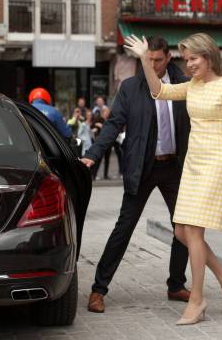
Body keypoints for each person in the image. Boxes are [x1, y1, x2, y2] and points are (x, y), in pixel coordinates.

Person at [123, 33, 222, 325]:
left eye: (194, 58)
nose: (189, 64)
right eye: (186, 59)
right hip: (193, 163)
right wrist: (145, 58)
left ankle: (197, 300)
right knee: (181, 231)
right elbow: (158, 91)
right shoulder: (191, 87)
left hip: (218, 161)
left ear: (208, 56)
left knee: (193, 231)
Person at [80, 36, 191, 313]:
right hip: (141, 168)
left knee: (185, 227)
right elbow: (113, 124)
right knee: (124, 228)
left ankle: (176, 284)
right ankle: (98, 289)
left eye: (157, 60)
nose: (151, 65)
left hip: (175, 168)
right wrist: (92, 155)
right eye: (147, 59)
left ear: (168, 58)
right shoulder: (131, 88)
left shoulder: (184, 84)